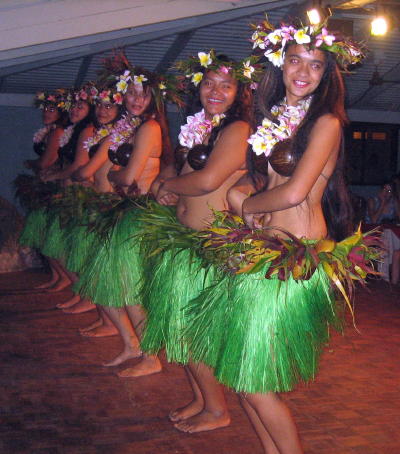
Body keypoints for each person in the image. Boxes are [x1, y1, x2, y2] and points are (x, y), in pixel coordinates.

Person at [181, 20, 379, 453]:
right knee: (239, 372)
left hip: (292, 262)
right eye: (295, 60)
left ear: (328, 75)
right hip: (261, 254)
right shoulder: (276, 119)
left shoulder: (325, 122)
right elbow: (265, 180)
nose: (303, 72)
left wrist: (244, 207)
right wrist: (241, 191)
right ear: (280, 65)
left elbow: (293, 191)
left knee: (252, 381)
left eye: (316, 64)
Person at [134, 50, 261, 429]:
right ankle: (203, 399)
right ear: (198, 87)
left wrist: (170, 185)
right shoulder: (199, 126)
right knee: (178, 331)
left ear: (240, 92)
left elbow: (207, 180)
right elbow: (181, 162)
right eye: (209, 83)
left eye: (226, 85)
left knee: (191, 335)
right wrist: (164, 181)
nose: (216, 91)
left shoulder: (237, 130)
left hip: (209, 248)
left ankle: (217, 411)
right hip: (184, 241)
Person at [72, 65, 181, 350]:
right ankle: (135, 348)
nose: (136, 99)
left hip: (139, 213)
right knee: (121, 286)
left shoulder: (149, 127)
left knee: (130, 289)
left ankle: (148, 355)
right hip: (127, 209)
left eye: (143, 95)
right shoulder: (131, 127)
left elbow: (129, 176)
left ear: (153, 99)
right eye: (131, 93)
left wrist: (112, 175)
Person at [25, 90, 69, 173]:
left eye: (51, 110)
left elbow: (45, 164)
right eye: (45, 109)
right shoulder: (51, 131)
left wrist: (31, 163)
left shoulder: (57, 132)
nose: (46, 113)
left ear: (60, 114)